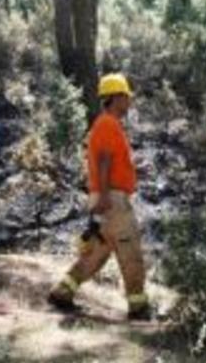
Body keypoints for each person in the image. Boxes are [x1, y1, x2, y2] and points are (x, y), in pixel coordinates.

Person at [47, 73, 151, 321]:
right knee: (131, 251)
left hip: (106, 197)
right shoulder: (107, 124)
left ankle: (62, 292)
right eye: (126, 97)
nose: (129, 102)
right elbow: (103, 159)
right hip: (112, 200)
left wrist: (132, 171)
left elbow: (108, 161)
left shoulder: (106, 124)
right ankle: (138, 307)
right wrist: (105, 195)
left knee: (95, 254)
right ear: (116, 97)